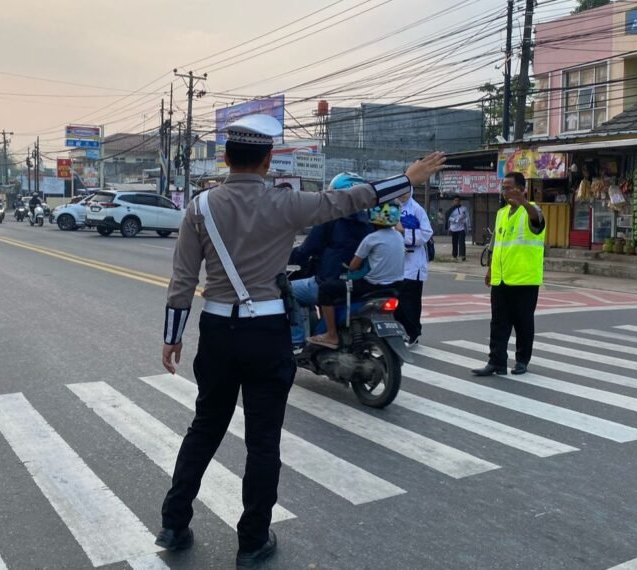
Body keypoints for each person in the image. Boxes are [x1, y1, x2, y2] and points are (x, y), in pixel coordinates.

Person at [157, 113, 445, 568]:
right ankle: (252, 542)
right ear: (268, 160)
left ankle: (174, 523)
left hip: (216, 332)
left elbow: (182, 279)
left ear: (227, 157)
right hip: (267, 332)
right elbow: (347, 200)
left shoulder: (200, 207)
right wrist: (406, 179)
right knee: (263, 440)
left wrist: (172, 337)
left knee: (205, 427)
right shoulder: (288, 205)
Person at [472, 172, 546, 377]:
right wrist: (490, 270)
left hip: (524, 279)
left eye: (509, 187)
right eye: (503, 187)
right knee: (498, 323)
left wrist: (524, 202)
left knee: (523, 323)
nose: (505, 191)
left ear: (522, 189)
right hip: (501, 278)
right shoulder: (502, 213)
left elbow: (537, 220)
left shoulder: (531, 209)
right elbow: (496, 244)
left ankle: (522, 360)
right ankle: (496, 362)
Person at [288, 173, 373, 345]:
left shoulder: (329, 219)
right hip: (360, 284)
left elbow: (307, 249)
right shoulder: (369, 222)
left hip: (330, 281)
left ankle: (297, 340)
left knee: (287, 290)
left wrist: (287, 257)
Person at [308, 201, 405, 349]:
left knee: (326, 289)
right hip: (396, 286)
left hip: (372, 286)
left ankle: (331, 335)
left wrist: (348, 267)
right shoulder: (398, 237)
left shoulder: (371, 238)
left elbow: (353, 266)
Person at [396, 185, 433, 347]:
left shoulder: (417, 209)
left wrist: (404, 232)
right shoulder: (391, 207)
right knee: (394, 300)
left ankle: (413, 333)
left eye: (406, 191)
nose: (403, 195)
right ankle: (399, 331)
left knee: (410, 301)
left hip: (413, 263)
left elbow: (426, 233)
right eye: (400, 191)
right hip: (396, 261)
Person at [447, 196, 470, 261]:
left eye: (458, 200)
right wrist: (455, 220)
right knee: (454, 242)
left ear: (460, 201)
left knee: (462, 242)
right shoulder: (451, 209)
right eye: (455, 200)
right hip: (453, 228)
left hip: (461, 228)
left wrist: (465, 222)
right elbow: (448, 218)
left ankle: (462, 255)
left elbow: (467, 217)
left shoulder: (464, 209)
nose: (457, 202)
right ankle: (454, 255)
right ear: (453, 201)